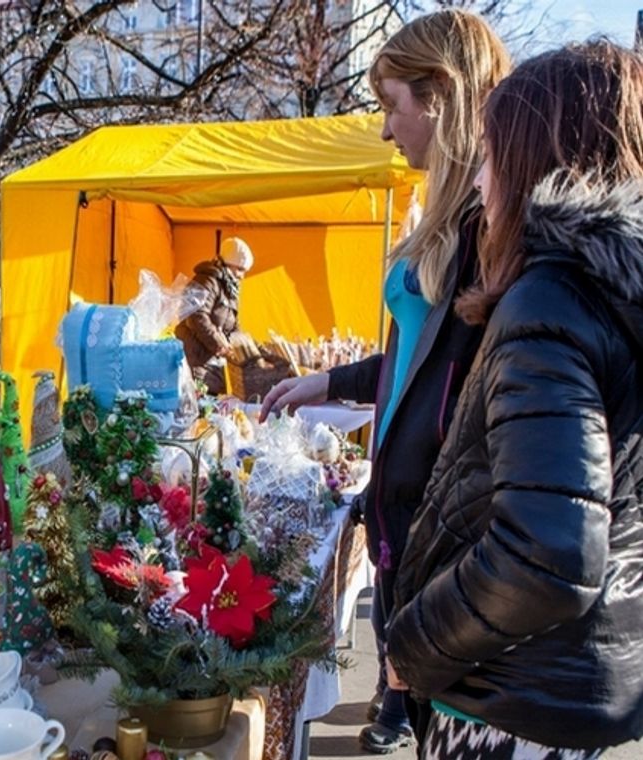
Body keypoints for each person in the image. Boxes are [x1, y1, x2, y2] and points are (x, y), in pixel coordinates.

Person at [258, 10, 509, 753]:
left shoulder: (485, 230)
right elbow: (411, 368)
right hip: (411, 522)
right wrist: (325, 381)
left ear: (442, 97)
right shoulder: (449, 220)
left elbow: (461, 400)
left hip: (445, 538)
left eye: (391, 104)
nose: (383, 129)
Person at [384, 40, 643, 759]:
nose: (479, 183)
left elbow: (547, 554)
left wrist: (414, 646)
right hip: (583, 688)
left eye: (494, 157)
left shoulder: (549, 300)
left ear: (537, 165)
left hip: (514, 698)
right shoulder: (611, 292)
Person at [174, 236, 253, 395]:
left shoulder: (229, 288)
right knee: (198, 408)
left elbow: (234, 325)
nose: (242, 276)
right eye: (240, 269)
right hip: (195, 360)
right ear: (228, 263)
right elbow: (196, 316)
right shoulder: (207, 281)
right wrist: (219, 344)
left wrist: (243, 345)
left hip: (211, 362)